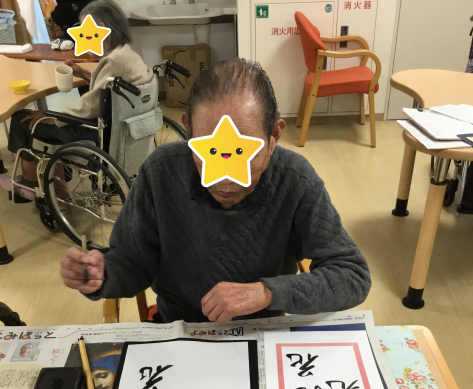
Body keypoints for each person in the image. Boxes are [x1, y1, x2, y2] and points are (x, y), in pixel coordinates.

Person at [60, 59, 371, 322]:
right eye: (209, 152)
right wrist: (102, 273)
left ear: (274, 136)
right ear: (189, 130)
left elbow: (352, 275)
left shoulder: (294, 179)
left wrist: (268, 292)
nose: (225, 181)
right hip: (180, 328)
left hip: (263, 329)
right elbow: (132, 262)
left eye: (243, 153)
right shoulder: (161, 172)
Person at [0, 0, 152, 202]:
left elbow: (90, 105)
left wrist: (54, 117)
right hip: (123, 127)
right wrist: (84, 74)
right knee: (42, 116)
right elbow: (108, 90)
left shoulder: (113, 61)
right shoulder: (126, 54)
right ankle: (53, 178)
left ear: (101, 29)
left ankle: (29, 182)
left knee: (22, 119)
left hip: (100, 133)